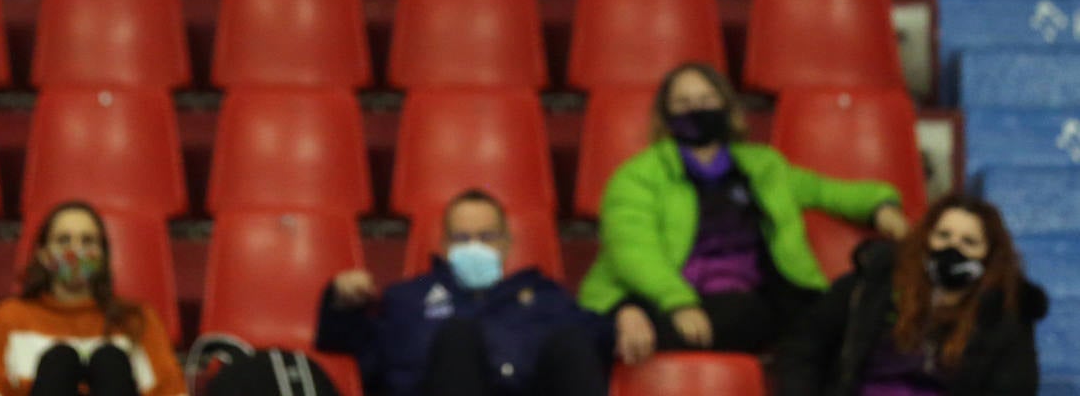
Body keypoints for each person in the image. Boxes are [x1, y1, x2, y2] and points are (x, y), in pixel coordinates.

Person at [578, 62, 913, 364]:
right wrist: (678, 302)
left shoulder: (762, 166)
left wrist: (881, 207)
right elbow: (634, 251)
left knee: (839, 322)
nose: (697, 109)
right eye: (683, 103)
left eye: (707, 99)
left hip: (760, 297)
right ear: (666, 116)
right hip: (675, 296)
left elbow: (829, 191)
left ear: (726, 106)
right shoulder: (637, 175)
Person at [315, 188, 619, 396]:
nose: (475, 246)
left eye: (486, 236)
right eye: (463, 238)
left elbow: (598, 337)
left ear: (506, 243)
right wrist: (340, 300)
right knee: (459, 336)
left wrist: (628, 314)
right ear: (446, 246)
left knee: (572, 341)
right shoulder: (407, 300)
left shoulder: (542, 296)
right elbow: (348, 342)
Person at [777, 193, 1048, 396]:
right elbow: (803, 348)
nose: (952, 248)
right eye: (943, 235)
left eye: (969, 242)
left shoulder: (1006, 316)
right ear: (924, 239)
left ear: (990, 257)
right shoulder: (870, 285)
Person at [0, 200, 185, 396]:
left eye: (87, 240)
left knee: (110, 362)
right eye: (63, 240)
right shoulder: (10, 318)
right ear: (44, 254)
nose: (75, 250)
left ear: (102, 255)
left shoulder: (136, 319)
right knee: (59, 361)